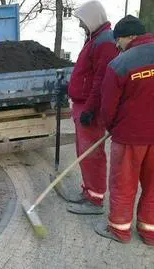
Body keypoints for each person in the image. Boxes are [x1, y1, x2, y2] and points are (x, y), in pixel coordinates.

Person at [95, 15, 154, 246]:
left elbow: (108, 106)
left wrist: (112, 127)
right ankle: (149, 232)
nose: (116, 45)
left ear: (130, 37)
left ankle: (119, 230)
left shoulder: (120, 64)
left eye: (118, 40)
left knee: (123, 184)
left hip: (129, 137)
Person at [66, 0, 119, 215]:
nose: (80, 26)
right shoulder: (95, 39)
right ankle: (88, 191)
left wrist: (89, 109)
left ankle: (95, 198)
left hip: (90, 108)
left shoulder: (105, 42)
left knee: (91, 154)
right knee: (83, 152)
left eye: (82, 21)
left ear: (93, 19)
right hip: (83, 104)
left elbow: (100, 80)